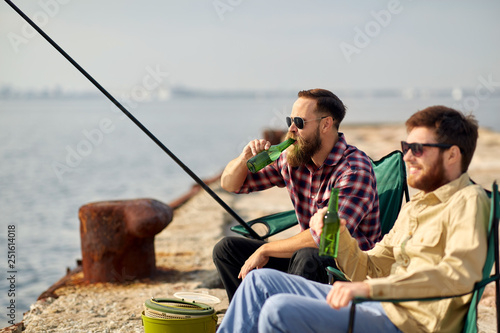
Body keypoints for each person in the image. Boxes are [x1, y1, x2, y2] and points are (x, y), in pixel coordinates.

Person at [217, 105, 490, 333]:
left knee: (278, 309)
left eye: (418, 148)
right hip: (378, 302)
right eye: (407, 146)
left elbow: (457, 276)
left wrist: (372, 290)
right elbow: (370, 267)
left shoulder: (469, 200)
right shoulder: (415, 207)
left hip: (410, 321)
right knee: (258, 281)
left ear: (452, 154)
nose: (407, 156)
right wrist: (337, 236)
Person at [213, 88, 381, 301]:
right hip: (309, 257)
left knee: (307, 255)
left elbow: (328, 237)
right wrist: (244, 158)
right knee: (226, 249)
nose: (291, 129)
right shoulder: (294, 159)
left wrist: (266, 250)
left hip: (349, 269)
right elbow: (230, 184)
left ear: (326, 124)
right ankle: (252, 318)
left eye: (299, 122)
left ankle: (289, 320)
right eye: (289, 120)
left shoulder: (354, 170)